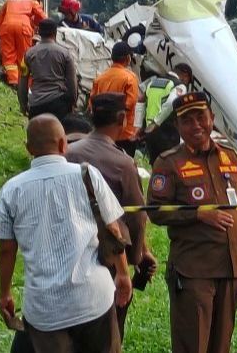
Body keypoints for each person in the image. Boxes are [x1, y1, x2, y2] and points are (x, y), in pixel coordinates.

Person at [0, 115, 131, 353]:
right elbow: (113, 229)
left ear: (28, 149)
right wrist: (124, 274)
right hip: (94, 298)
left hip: (46, 309)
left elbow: (6, 249)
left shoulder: (12, 189)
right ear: (64, 143)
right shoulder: (87, 175)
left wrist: (5, 292)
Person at [147, 92, 237, 353]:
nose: (196, 125)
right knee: (193, 345)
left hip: (231, 268)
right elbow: (155, 211)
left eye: (201, 117)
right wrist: (197, 214)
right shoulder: (168, 163)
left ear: (212, 118)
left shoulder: (232, 159)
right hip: (193, 272)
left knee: (221, 345)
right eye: (187, 120)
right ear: (177, 126)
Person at [66, 94, 157, 343]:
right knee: (109, 330)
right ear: (121, 118)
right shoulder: (123, 163)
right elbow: (136, 217)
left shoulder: (68, 153)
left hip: (68, 252)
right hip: (109, 258)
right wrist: (138, 257)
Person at [18, 20, 78, 121]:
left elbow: (22, 82)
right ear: (55, 33)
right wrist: (72, 104)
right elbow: (72, 84)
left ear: (39, 32)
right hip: (59, 104)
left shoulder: (28, 54)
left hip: (36, 104)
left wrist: (23, 104)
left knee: (38, 135)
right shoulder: (65, 54)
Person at [89, 41, 140, 156]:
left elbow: (91, 104)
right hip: (124, 132)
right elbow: (130, 104)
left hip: (103, 132)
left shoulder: (100, 78)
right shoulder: (130, 78)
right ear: (128, 58)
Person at [0, 0, 47, 85]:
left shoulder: (9, 1)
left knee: (9, 58)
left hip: (6, 27)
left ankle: (13, 81)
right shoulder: (33, 2)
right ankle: (25, 85)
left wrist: (0, 34)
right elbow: (44, 19)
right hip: (24, 29)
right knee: (24, 59)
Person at [139, 64, 193, 164]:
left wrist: (139, 126)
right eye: (188, 81)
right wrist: (156, 123)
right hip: (167, 133)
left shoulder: (153, 81)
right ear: (185, 76)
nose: (186, 83)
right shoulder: (179, 85)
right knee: (171, 166)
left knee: (156, 165)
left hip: (150, 133)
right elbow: (170, 103)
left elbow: (141, 100)